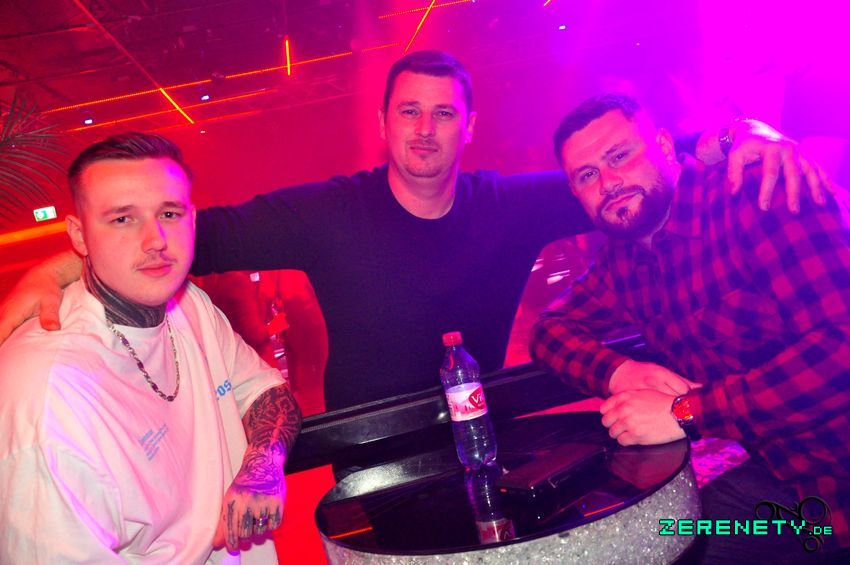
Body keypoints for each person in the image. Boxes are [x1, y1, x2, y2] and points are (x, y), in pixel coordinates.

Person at [0, 51, 834, 412]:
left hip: (489, 430)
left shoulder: (511, 203)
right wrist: (62, 265)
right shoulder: (327, 211)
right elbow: (184, 233)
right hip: (372, 450)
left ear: (469, 127)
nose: (425, 129)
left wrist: (746, 134)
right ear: (383, 124)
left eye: (443, 113)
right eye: (409, 111)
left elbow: (631, 169)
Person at [531, 94, 849, 561]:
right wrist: (622, 373)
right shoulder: (624, 260)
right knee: (652, 541)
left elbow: (841, 352)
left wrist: (684, 413)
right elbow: (548, 332)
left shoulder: (757, 191)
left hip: (837, 482)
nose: (609, 182)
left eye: (619, 156)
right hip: (780, 479)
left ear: (663, 145)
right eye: (587, 175)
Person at [0, 133, 302, 562]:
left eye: (169, 213)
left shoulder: (190, 305)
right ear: (79, 236)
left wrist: (262, 465)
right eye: (122, 219)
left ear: (192, 220)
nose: (155, 240)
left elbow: (265, 391)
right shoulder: (48, 397)